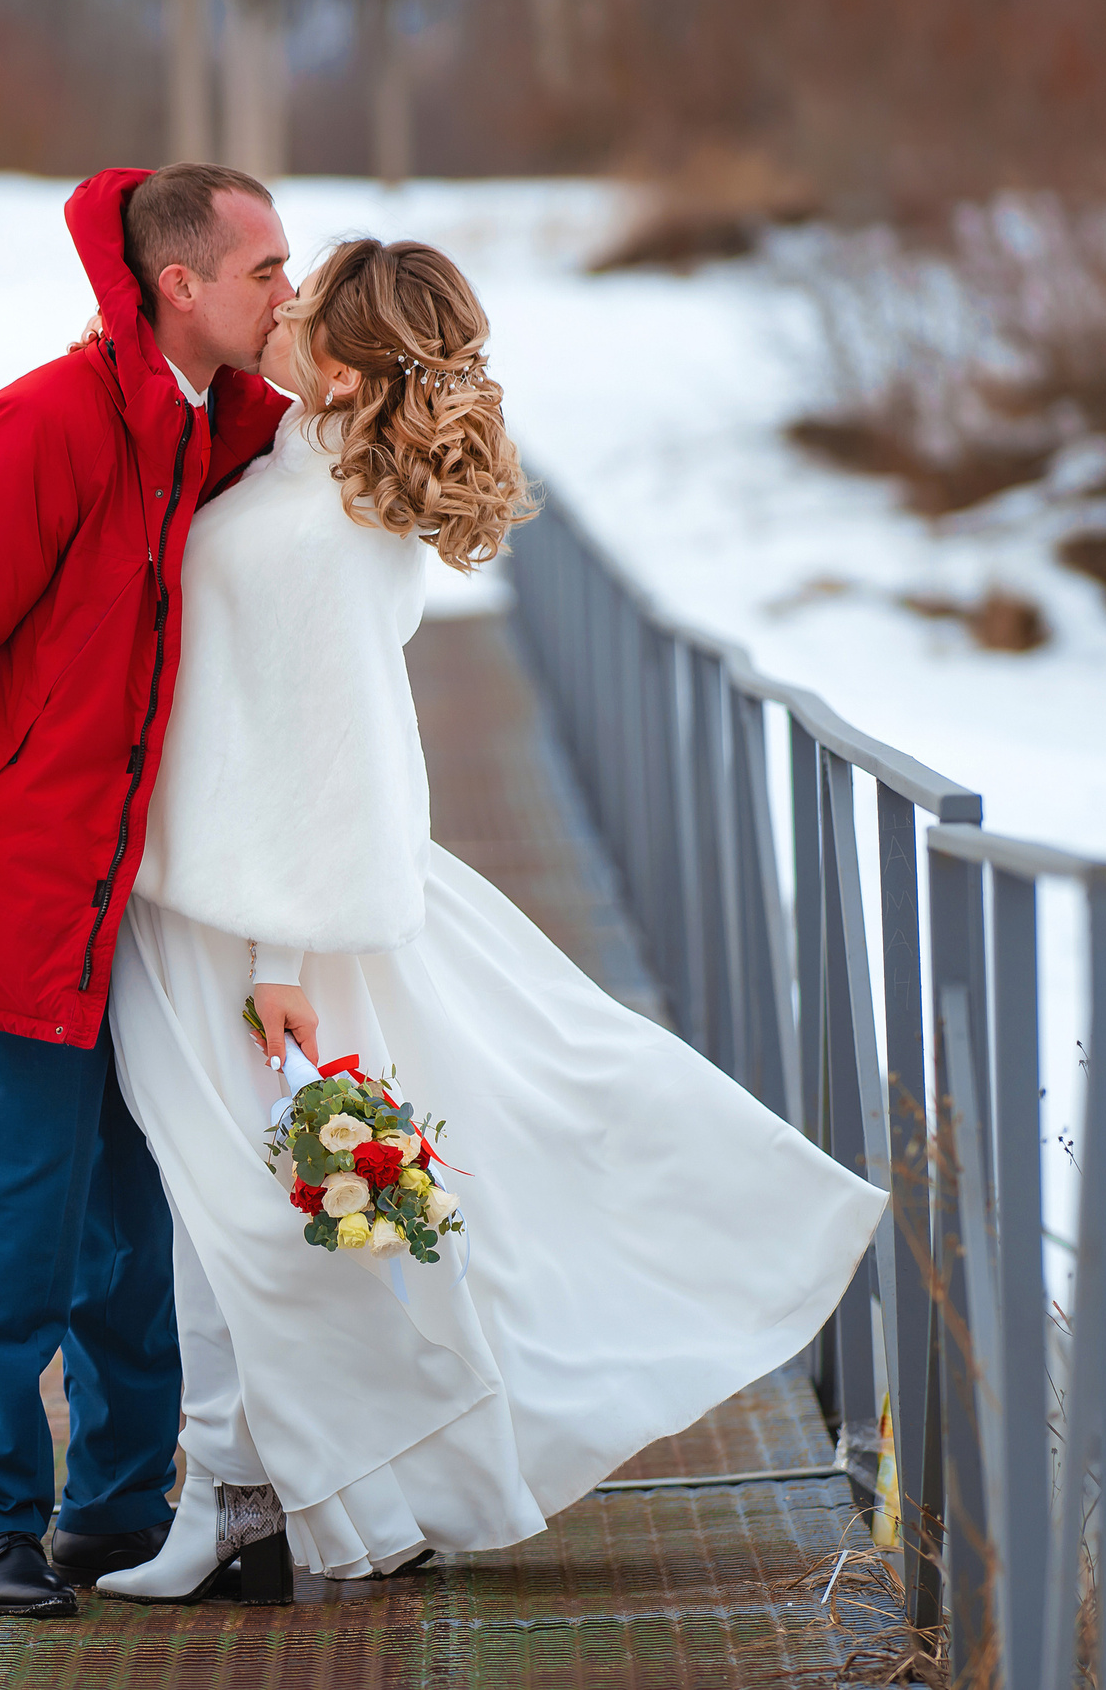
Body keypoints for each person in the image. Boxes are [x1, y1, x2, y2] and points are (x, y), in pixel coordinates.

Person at [88, 238, 890, 1603]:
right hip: (229, 904)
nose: (275, 306)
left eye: (302, 300)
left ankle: (246, 1499)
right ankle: (304, 1494)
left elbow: (321, 755)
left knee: (252, 1225)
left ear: (338, 368)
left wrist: (280, 961)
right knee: (264, 1220)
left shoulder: (311, 533)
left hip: (252, 932)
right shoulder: (313, 483)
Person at [0, 163, 294, 1617]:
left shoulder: (226, 429)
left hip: (154, 903)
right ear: (182, 282)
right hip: (23, 897)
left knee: (137, 1220)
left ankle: (113, 1509)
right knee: (22, 1217)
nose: (288, 293)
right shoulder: (41, 424)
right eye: (269, 270)